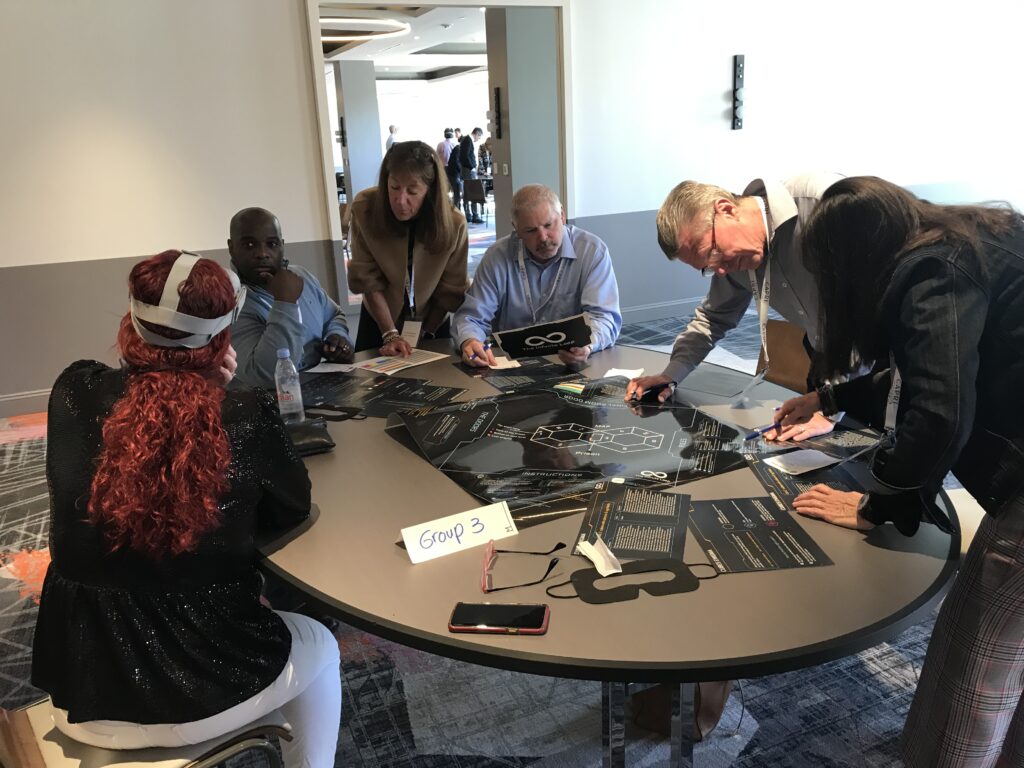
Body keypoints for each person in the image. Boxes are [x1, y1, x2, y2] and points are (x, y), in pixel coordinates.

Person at [31, 251, 341, 767]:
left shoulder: (70, 389)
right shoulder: (242, 417)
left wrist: (194, 386)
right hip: (208, 685)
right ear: (222, 340)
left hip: (79, 689)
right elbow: (291, 508)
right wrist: (215, 392)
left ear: (130, 323)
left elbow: (129, 400)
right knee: (322, 644)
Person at [774, 177, 1024, 767]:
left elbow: (939, 413)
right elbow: (937, 370)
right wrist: (831, 398)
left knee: (969, 670)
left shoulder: (930, 270)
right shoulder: (972, 236)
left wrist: (879, 502)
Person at [625, 173, 843, 441]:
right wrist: (670, 375)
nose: (719, 269)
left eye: (713, 253)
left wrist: (832, 407)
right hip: (827, 361)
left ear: (726, 210)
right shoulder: (731, 261)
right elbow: (712, 318)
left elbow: (865, 309)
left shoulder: (823, 202)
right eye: (707, 267)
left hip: (886, 356)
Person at [453, 184, 621, 366]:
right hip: (514, 364)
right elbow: (471, 317)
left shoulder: (592, 251)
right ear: (516, 229)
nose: (543, 237)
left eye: (549, 225)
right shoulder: (497, 257)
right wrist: (470, 341)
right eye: (531, 230)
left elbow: (604, 317)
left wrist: (587, 344)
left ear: (562, 216)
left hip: (573, 363)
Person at [348, 140, 468, 355]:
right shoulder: (365, 209)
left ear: (430, 191)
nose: (400, 200)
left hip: (432, 318)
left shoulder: (454, 222)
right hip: (379, 319)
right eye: (394, 187)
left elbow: (450, 289)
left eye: (412, 191)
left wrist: (426, 333)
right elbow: (368, 280)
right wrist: (390, 333)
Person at [228, 207, 353, 388]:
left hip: (322, 389)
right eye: (249, 245)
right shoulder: (230, 301)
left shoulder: (301, 276)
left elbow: (333, 315)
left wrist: (337, 337)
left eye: (272, 244)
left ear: (282, 245)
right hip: (271, 405)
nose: (262, 253)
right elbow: (264, 374)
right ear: (231, 247)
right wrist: (285, 303)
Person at [458, 127, 485, 224]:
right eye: (479, 136)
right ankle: (474, 215)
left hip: (466, 170)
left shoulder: (465, 140)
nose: (479, 139)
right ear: (477, 133)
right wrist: (471, 167)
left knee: (467, 192)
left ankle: (469, 215)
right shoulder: (468, 140)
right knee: (472, 192)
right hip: (468, 170)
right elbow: (464, 156)